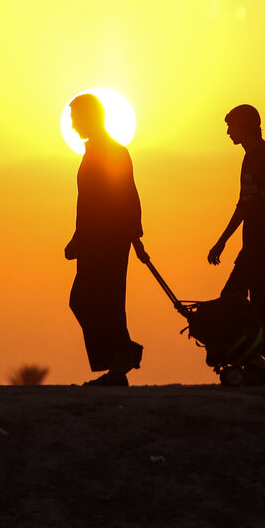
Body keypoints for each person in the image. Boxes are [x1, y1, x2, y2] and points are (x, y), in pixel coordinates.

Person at [65, 93, 147, 386]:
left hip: (107, 242)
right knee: (90, 301)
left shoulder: (113, 151)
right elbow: (87, 202)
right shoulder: (94, 151)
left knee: (98, 301)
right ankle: (117, 362)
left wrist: (134, 236)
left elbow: (126, 195)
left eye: (75, 119)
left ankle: (122, 356)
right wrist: (78, 238)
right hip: (92, 242)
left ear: (90, 117)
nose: (73, 126)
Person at [207, 104, 265, 385]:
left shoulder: (260, 159)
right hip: (253, 244)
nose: (228, 132)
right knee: (258, 303)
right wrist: (224, 241)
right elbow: (246, 204)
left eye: (232, 126)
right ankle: (261, 362)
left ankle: (264, 363)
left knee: (234, 298)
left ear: (246, 127)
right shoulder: (253, 157)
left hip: (258, 246)